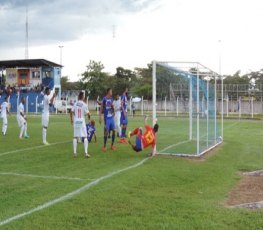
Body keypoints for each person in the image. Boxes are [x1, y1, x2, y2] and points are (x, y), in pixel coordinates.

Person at [70, 91, 91, 158]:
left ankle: (75, 153)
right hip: (82, 120)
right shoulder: (84, 105)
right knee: (85, 137)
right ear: (83, 97)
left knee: (75, 137)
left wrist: (71, 119)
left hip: (76, 120)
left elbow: (71, 112)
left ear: (79, 96)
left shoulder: (75, 104)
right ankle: (85, 153)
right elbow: (88, 114)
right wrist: (89, 118)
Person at [99, 88, 116, 152]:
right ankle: (104, 146)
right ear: (108, 92)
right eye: (111, 91)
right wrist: (100, 117)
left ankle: (112, 145)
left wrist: (113, 111)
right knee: (106, 132)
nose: (112, 93)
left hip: (111, 118)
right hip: (107, 119)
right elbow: (101, 108)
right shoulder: (104, 99)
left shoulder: (111, 99)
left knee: (114, 130)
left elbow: (112, 106)